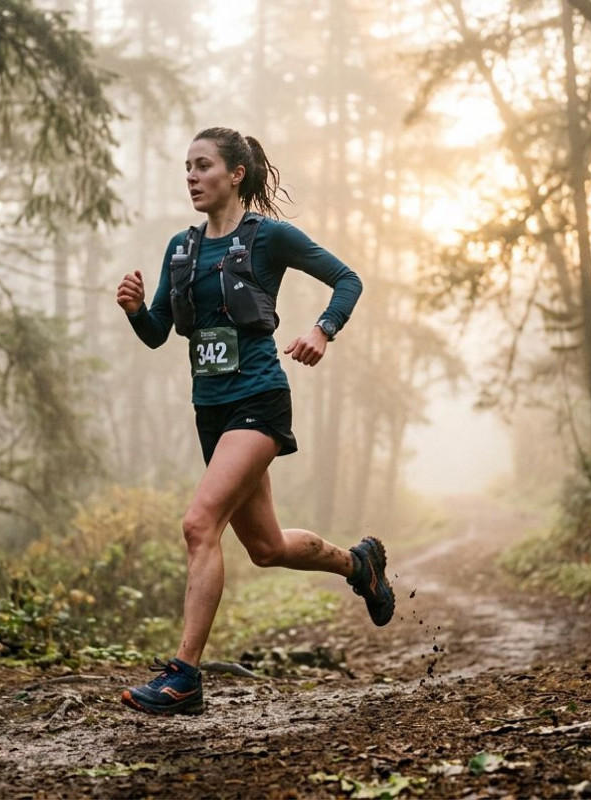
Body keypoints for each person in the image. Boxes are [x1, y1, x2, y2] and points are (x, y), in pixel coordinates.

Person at [113, 127, 394, 716]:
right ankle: (358, 563)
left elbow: (349, 279)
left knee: (198, 525)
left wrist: (322, 330)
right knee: (265, 547)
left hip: (259, 398)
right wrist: (137, 309)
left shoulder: (270, 238)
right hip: (210, 411)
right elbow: (158, 333)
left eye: (202, 165)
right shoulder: (181, 249)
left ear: (235, 173)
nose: (190, 176)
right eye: (186, 167)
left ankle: (184, 677)